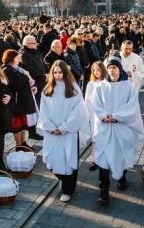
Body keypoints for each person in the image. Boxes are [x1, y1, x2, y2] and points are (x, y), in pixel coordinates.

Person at [88, 56, 144, 204]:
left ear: (120, 69)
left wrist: (118, 116)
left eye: (115, 67)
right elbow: (95, 104)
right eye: (110, 67)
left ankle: (121, 177)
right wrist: (103, 116)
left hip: (121, 127)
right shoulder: (100, 86)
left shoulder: (128, 86)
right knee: (103, 160)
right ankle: (104, 191)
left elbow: (132, 106)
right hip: (105, 129)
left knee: (121, 154)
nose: (112, 70)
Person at [37, 60, 90, 202]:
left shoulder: (73, 89)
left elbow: (78, 111)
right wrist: (50, 126)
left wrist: (64, 128)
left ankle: (68, 189)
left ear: (65, 73)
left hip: (68, 133)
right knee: (52, 161)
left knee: (68, 161)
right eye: (55, 72)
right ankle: (63, 179)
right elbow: (44, 111)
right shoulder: (47, 90)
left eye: (60, 72)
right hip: (52, 132)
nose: (58, 75)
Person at [2, 50, 38, 148]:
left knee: (23, 124)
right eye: (17, 57)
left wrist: (32, 86)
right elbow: (14, 85)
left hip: (22, 101)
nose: (19, 59)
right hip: (16, 102)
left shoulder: (18, 68)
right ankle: (19, 145)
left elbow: (23, 83)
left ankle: (23, 143)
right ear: (11, 58)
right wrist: (26, 77)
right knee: (17, 126)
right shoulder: (7, 70)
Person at [20, 35, 46, 141]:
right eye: (33, 43)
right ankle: (32, 131)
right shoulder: (24, 55)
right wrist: (43, 76)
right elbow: (29, 71)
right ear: (26, 44)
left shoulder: (33, 52)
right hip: (33, 86)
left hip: (40, 84)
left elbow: (40, 65)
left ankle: (36, 127)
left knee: (38, 106)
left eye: (35, 42)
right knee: (32, 108)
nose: (36, 44)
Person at [84, 61, 106, 171]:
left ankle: (104, 157)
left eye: (98, 69)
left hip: (103, 113)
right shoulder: (91, 84)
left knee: (103, 135)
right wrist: (87, 114)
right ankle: (95, 159)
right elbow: (87, 99)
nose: (96, 72)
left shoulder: (106, 83)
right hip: (93, 114)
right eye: (94, 70)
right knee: (94, 136)